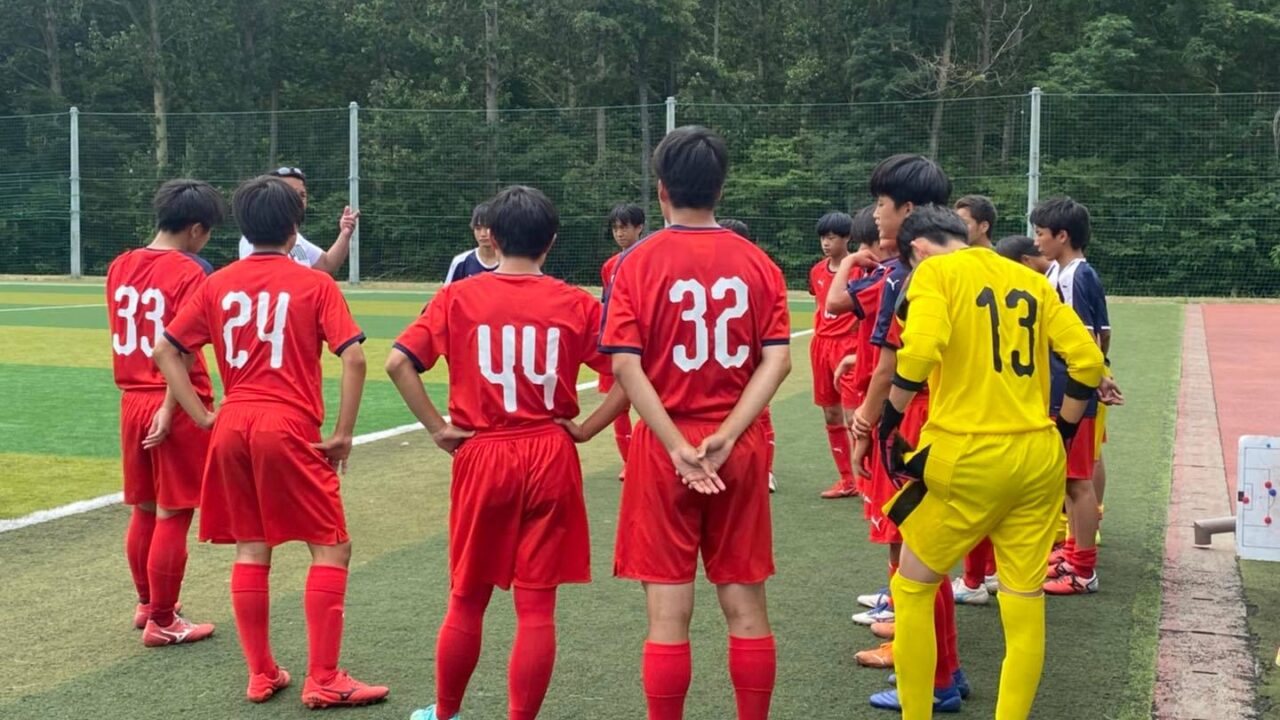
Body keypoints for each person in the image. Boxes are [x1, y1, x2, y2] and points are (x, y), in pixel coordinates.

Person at [388, 185, 628, 720]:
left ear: (491, 238)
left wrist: (437, 429)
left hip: (483, 452)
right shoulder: (577, 303)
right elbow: (630, 374)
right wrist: (586, 429)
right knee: (536, 606)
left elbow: (398, 362)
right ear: (552, 241)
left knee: (467, 597)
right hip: (550, 451)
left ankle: (446, 714)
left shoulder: (457, 298)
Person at [153, 176, 387, 708]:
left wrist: (204, 415)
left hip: (233, 423)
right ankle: (324, 678)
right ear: (295, 227)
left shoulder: (217, 283)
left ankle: (262, 674)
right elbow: (354, 357)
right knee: (331, 545)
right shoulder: (314, 283)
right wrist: (343, 434)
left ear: (241, 225)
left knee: (252, 545)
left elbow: (166, 350)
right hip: (288, 425)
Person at [875, 203, 1104, 718]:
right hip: (1037, 457)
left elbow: (920, 352)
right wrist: (1064, 432)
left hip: (966, 455)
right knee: (1023, 604)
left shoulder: (934, 273)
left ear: (918, 250)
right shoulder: (1030, 278)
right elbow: (1088, 362)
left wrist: (889, 421)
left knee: (911, 589)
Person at [601, 126, 791, 720]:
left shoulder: (635, 263)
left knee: (667, 617)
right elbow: (778, 360)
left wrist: (675, 445)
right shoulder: (759, 263)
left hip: (665, 448)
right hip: (738, 446)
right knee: (747, 608)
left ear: (661, 189)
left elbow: (626, 366)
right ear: (720, 189)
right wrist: (728, 436)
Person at [106, 179, 223, 646]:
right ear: (196, 229)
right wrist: (174, 407)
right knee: (174, 513)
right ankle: (163, 620)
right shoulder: (191, 273)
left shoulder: (119, 265)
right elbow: (182, 351)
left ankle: (147, 604)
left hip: (132, 398)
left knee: (144, 509)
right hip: (171, 401)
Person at [1032, 196, 1120, 596]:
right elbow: (1104, 334)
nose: (1036, 241)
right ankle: (1071, 553)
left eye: (1041, 233)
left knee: (1076, 480)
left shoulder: (1075, 276)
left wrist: (1095, 377)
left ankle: (1083, 571)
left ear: (1062, 236)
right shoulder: (1061, 271)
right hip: (1067, 388)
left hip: (1072, 391)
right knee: (1068, 478)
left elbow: (1087, 339)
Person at [720, 218, 779, 494]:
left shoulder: (759, 274)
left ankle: (766, 471)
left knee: (760, 412)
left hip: (748, 358)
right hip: (719, 358)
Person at [809, 211, 861, 499]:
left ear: (847, 238)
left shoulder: (859, 270)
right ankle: (846, 480)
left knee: (855, 416)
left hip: (848, 346)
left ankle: (867, 480)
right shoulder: (817, 271)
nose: (826, 243)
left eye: (831, 238)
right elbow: (821, 305)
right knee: (830, 413)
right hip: (821, 346)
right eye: (823, 238)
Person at [235, 166, 357, 272]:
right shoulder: (255, 241)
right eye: (291, 193)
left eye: (302, 195)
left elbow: (327, 264)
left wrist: (344, 234)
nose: (298, 200)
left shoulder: (297, 239)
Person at [600, 203, 646, 479]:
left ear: (639, 227)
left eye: (624, 227)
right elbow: (606, 307)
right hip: (617, 343)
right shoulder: (609, 266)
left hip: (645, 345)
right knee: (618, 406)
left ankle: (651, 457)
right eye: (615, 228)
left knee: (652, 401)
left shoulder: (650, 259)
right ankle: (629, 461)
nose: (619, 233)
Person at [444, 202, 500, 284]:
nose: (483, 234)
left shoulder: (509, 262)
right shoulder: (461, 262)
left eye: (488, 227)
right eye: (478, 228)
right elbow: (448, 291)